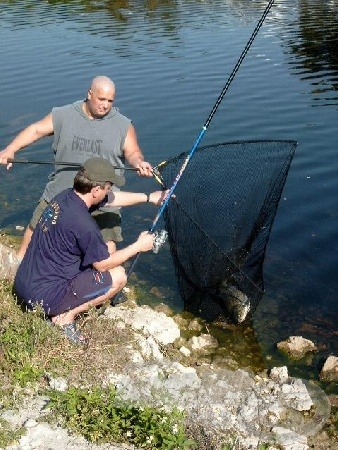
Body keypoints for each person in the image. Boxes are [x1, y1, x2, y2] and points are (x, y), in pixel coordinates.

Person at [14, 157, 166, 345]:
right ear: (95, 190)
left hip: (24, 283)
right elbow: (103, 266)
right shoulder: (85, 225)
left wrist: (150, 197)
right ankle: (64, 318)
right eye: (107, 188)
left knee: (109, 248)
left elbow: (112, 199)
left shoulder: (64, 197)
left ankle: (70, 302)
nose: (109, 192)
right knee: (118, 276)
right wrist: (138, 246)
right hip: (42, 297)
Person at [0, 75, 153, 261]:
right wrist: (11, 149)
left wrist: (139, 163)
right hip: (60, 194)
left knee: (107, 252)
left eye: (110, 101)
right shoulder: (64, 115)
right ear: (89, 94)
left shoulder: (123, 125)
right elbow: (36, 130)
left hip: (103, 198)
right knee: (33, 234)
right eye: (101, 99)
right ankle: (18, 270)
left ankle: (100, 284)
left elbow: (133, 152)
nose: (105, 105)